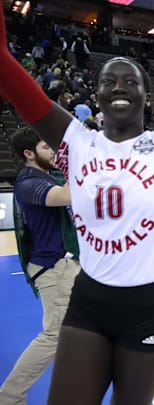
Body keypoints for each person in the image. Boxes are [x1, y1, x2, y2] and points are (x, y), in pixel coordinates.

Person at [0, 0, 154, 402]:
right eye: (108, 81)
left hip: (150, 305)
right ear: (95, 94)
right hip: (89, 301)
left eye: (130, 82)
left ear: (147, 95)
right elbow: (4, 64)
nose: (118, 87)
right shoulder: (74, 141)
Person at [0, 128, 81, 405]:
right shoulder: (29, 183)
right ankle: (10, 397)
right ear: (28, 154)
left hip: (66, 264)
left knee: (84, 325)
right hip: (54, 268)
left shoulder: (45, 177)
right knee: (53, 335)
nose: (54, 153)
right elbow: (66, 196)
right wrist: (76, 164)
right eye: (47, 147)